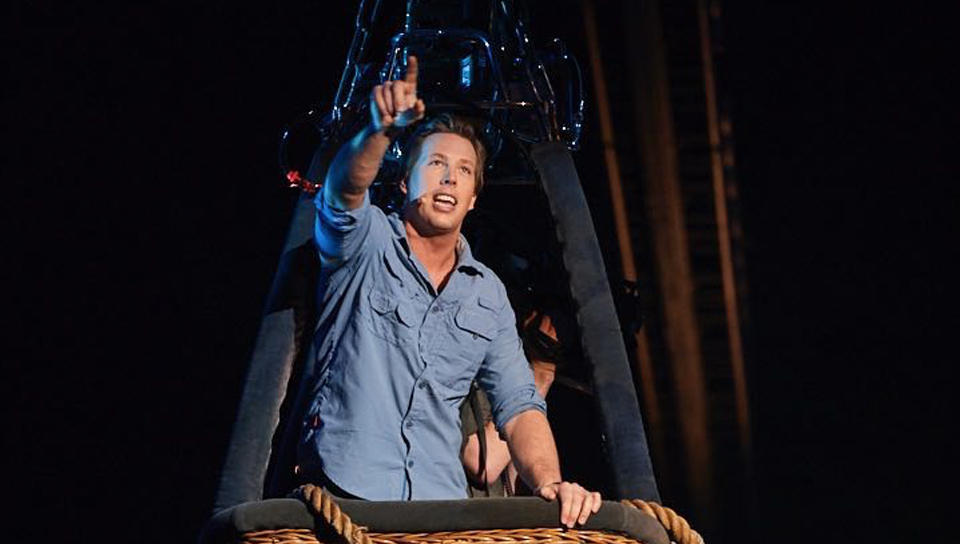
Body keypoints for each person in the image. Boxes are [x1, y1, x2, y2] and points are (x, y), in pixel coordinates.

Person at [297, 55, 601, 527]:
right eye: (436, 163)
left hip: (437, 509)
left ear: (473, 198)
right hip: (345, 494)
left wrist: (550, 482)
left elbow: (519, 404)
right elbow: (341, 198)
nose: (449, 177)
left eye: (463, 170)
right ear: (405, 182)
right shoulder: (366, 244)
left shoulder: (487, 295)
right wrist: (379, 130)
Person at [461, 309, 560, 497]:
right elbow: (483, 463)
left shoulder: (520, 387)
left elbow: (515, 485)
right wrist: (540, 373)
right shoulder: (457, 369)